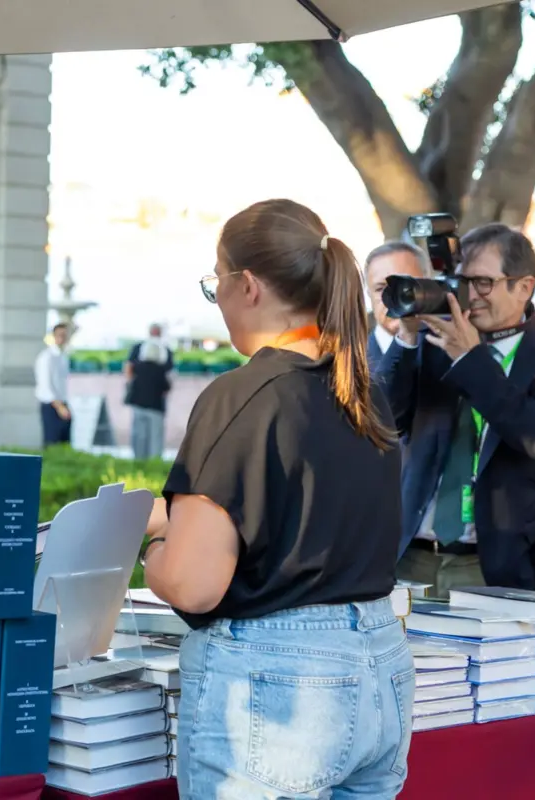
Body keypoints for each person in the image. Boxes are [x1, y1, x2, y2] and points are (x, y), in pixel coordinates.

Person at [143, 199, 411, 798]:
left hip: (282, 682)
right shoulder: (363, 394)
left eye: (217, 284)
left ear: (249, 286)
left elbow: (191, 583)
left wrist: (157, 546)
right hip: (380, 663)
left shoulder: (242, 394)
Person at [380, 223, 535, 594]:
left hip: (490, 563)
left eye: (483, 282)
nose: (469, 296)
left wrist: (471, 358)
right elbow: (383, 421)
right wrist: (406, 339)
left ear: (524, 287)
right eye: (461, 281)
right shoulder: (432, 339)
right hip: (410, 556)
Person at [364, 242, 426, 373]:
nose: (392, 298)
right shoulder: (347, 364)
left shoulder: (450, 350)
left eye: (405, 285)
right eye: (380, 289)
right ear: (369, 294)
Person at [124, 324, 173, 460]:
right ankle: (154, 462)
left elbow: (128, 371)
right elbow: (167, 386)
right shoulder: (161, 368)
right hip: (156, 405)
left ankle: (138, 459)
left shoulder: (138, 366)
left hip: (138, 402)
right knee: (155, 437)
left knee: (139, 434)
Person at [35, 322, 71, 446]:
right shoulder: (46, 357)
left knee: (64, 444)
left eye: (65, 335)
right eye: (60, 335)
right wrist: (59, 406)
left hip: (63, 403)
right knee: (51, 442)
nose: (63, 338)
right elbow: (45, 385)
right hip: (52, 405)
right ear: (54, 336)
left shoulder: (63, 357)